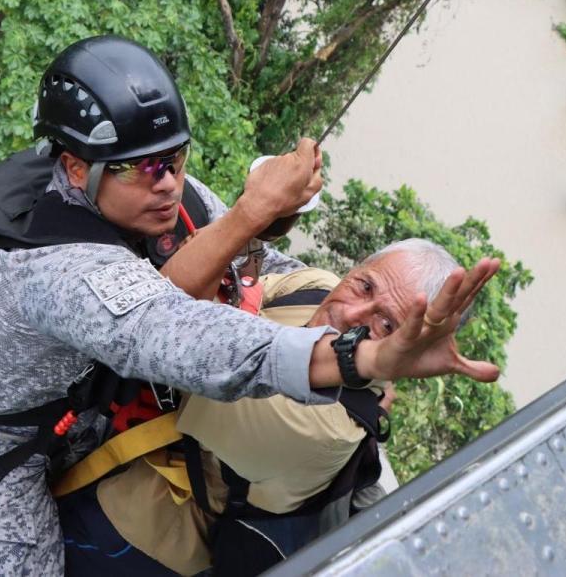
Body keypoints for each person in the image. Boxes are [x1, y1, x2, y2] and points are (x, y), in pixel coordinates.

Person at [0, 35, 500, 576]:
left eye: (175, 157)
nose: (166, 181)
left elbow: (247, 265)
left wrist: (287, 242)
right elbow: (175, 333)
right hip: (1, 452)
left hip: (81, 412)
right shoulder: (51, 270)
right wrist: (356, 362)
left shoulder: (165, 199)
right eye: (140, 168)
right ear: (75, 168)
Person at [55, 239, 460, 576]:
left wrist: (251, 216)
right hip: (112, 444)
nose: (348, 315)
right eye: (365, 286)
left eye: (386, 327)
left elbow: (181, 350)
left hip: (136, 535)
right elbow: (232, 289)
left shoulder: (324, 429)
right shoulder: (318, 286)